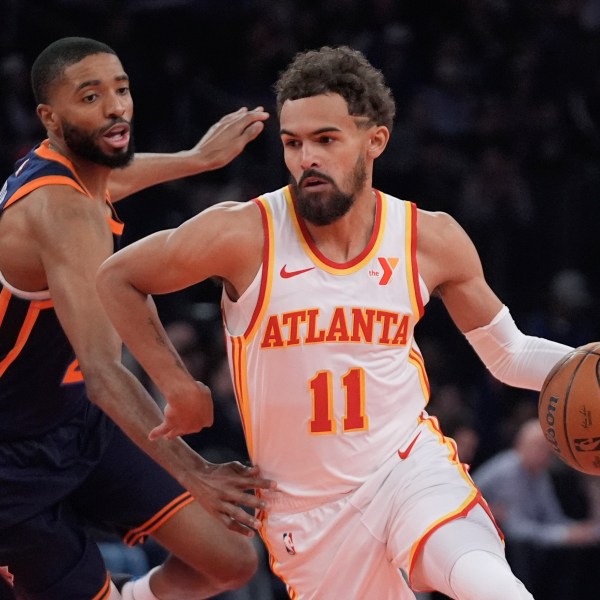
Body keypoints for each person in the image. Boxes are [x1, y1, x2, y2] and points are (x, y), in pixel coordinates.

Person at [97, 45, 578, 600]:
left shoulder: (429, 238)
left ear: (375, 140)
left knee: (490, 585)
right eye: (293, 143)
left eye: (326, 140)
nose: (307, 159)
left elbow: (510, 354)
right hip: (307, 513)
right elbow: (117, 278)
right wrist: (177, 385)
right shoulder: (244, 234)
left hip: (405, 467)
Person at [0, 36, 276, 600]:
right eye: (91, 97)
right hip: (10, 460)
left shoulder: (70, 171)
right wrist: (195, 469)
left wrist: (198, 159)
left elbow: (113, 179)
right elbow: (103, 374)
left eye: (121, 90)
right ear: (51, 118)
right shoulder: (63, 212)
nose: (116, 107)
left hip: (73, 423)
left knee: (231, 561)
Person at [473, 418, 600, 599]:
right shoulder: (508, 471)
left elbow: (552, 516)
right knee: (530, 550)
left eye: (549, 451)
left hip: (520, 539)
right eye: (540, 448)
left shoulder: (538, 473)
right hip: (484, 540)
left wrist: (579, 531)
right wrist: (564, 535)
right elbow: (516, 529)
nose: (546, 456)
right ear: (521, 445)